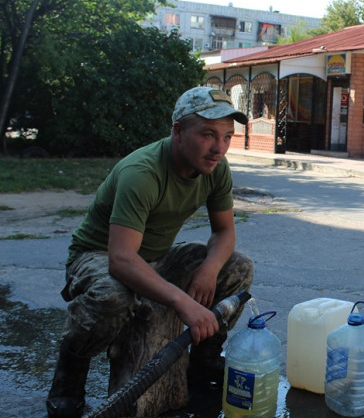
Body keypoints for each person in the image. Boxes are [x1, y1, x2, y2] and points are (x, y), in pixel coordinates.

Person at [46, 86, 254, 418]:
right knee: (111, 296)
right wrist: (182, 301)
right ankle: (70, 370)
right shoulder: (141, 173)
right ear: (178, 131)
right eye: (208, 135)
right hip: (97, 255)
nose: (219, 148)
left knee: (237, 268)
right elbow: (122, 259)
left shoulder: (216, 168)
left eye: (228, 137)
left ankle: (204, 358)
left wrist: (210, 269)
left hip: (157, 257)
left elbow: (225, 231)